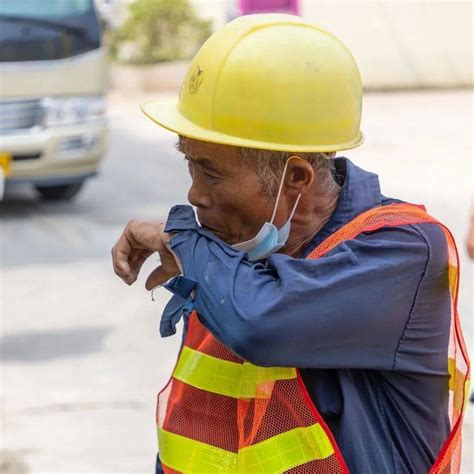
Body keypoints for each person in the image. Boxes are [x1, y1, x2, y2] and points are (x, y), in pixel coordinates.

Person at [111, 14, 469, 474]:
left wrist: (179, 238)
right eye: (190, 165)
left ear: (296, 177)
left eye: (211, 170)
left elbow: (262, 322)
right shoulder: (223, 255)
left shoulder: (405, 250)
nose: (194, 195)